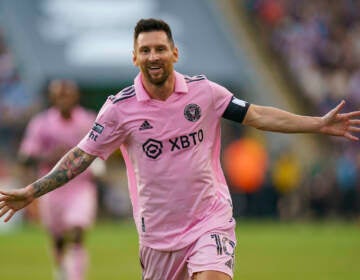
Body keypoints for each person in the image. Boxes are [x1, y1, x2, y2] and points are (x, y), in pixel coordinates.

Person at [0, 18, 360, 280]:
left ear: (174, 52)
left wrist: (317, 123)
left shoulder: (205, 93)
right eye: (145, 50)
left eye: (159, 49)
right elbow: (80, 156)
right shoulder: (119, 109)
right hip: (158, 235)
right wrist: (31, 191)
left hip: (209, 219)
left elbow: (257, 114)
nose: (153, 56)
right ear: (134, 58)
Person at [16, 79, 99, 280]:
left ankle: (76, 276)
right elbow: (25, 157)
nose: (63, 99)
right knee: (59, 237)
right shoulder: (42, 123)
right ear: (52, 98)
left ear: (76, 96)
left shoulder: (88, 120)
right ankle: (62, 271)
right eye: (59, 95)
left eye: (67, 94)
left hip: (80, 186)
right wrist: (49, 156)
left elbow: (103, 146)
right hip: (51, 188)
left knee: (77, 229)